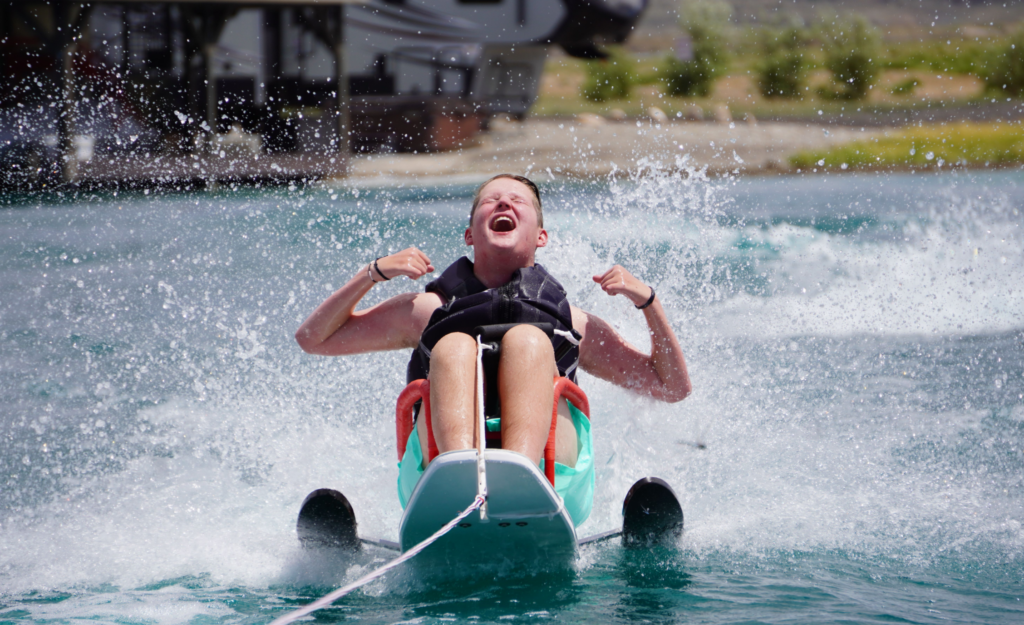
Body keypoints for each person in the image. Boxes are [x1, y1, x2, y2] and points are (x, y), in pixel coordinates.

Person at [295, 174, 691, 525]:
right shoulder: (426, 310)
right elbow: (314, 338)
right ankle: (458, 482)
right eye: (491, 200)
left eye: (518, 201)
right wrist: (373, 273)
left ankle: (521, 484)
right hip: (439, 484)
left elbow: (671, 386)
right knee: (453, 346)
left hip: (553, 479)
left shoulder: (573, 322)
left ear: (541, 236)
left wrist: (648, 301)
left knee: (528, 341)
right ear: (470, 235)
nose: (503, 204)